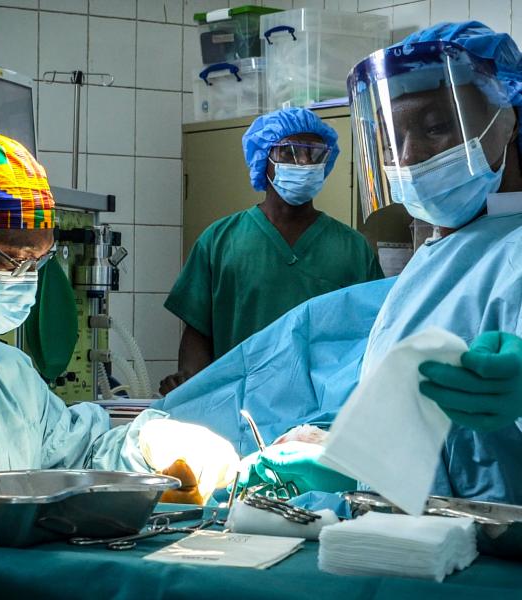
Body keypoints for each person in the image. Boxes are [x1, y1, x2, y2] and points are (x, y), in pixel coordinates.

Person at [154, 22, 522, 505]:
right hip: (416, 536)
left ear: (509, 117)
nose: (408, 158)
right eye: (393, 138)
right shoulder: (442, 254)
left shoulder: (508, 250)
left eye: (436, 127)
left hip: (491, 549)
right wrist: (345, 456)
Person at [0, 132, 238, 498]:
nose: (26, 281)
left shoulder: (6, 372)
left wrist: (149, 446)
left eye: (37, 262)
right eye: (14, 260)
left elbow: (76, 457)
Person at [160, 108, 384, 394]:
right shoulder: (219, 241)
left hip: (321, 410)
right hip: (236, 406)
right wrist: (193, 390)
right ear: (262, 159)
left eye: (314, 153)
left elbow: (372, 335)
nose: (304, 162)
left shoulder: (352, 248)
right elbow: (198, 332)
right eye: (289, 152)